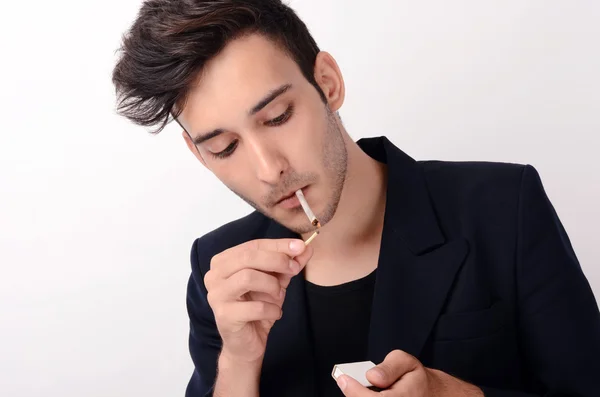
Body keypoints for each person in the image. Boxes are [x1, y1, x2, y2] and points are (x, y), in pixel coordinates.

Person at [111, 1, 600, 396]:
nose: (268, 170)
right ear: (199, 155)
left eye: (278, 116)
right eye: (225, 147)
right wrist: (240, 360)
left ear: (328, 82)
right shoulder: (218, 269)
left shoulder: (502, 208)